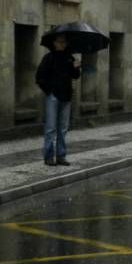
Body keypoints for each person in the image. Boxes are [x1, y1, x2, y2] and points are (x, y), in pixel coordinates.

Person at [35, 34, 80, 166]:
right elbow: (39, 77)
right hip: (53, 97)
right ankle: (49, 156)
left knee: (63, 128)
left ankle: (61, 156)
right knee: (50, 127)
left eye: (64, 42)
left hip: (66, 96)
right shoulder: (49, 58)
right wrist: (49, 92)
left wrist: (76, 67)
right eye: (59, 42)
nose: (61, 44)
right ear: (54, 43)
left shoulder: (69, 58)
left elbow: (75, 76)